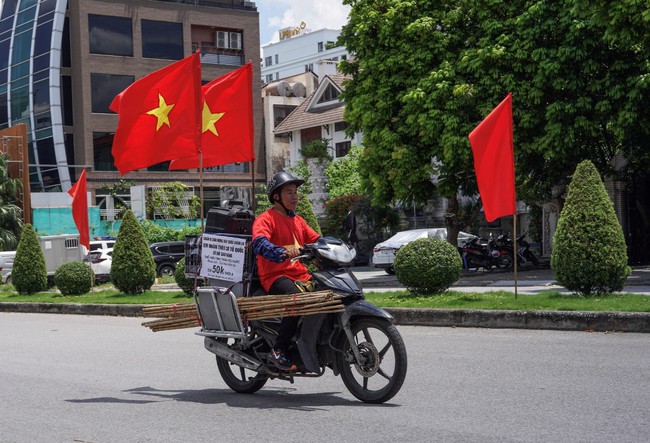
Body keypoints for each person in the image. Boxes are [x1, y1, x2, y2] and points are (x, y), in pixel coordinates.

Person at [252, 172, 321, 371]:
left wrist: (335, 246)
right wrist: (280, 252)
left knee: (329, 293)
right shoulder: (265, 219)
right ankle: (278, 350)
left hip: (301, 275)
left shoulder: (298, 220)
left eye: (295, 192)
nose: (294, 196)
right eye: (289, 192)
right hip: (275, 276)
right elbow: (259, 243)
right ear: (276, 197)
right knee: (296, 299)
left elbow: (317, 240)